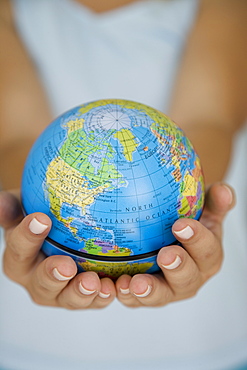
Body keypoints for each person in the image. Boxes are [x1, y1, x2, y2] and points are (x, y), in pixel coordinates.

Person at [0, 0, 246, 369]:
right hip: (23, 345)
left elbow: (207, 120)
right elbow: (18, 137)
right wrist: (33, 205)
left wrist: (188, 202)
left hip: (206, 345)